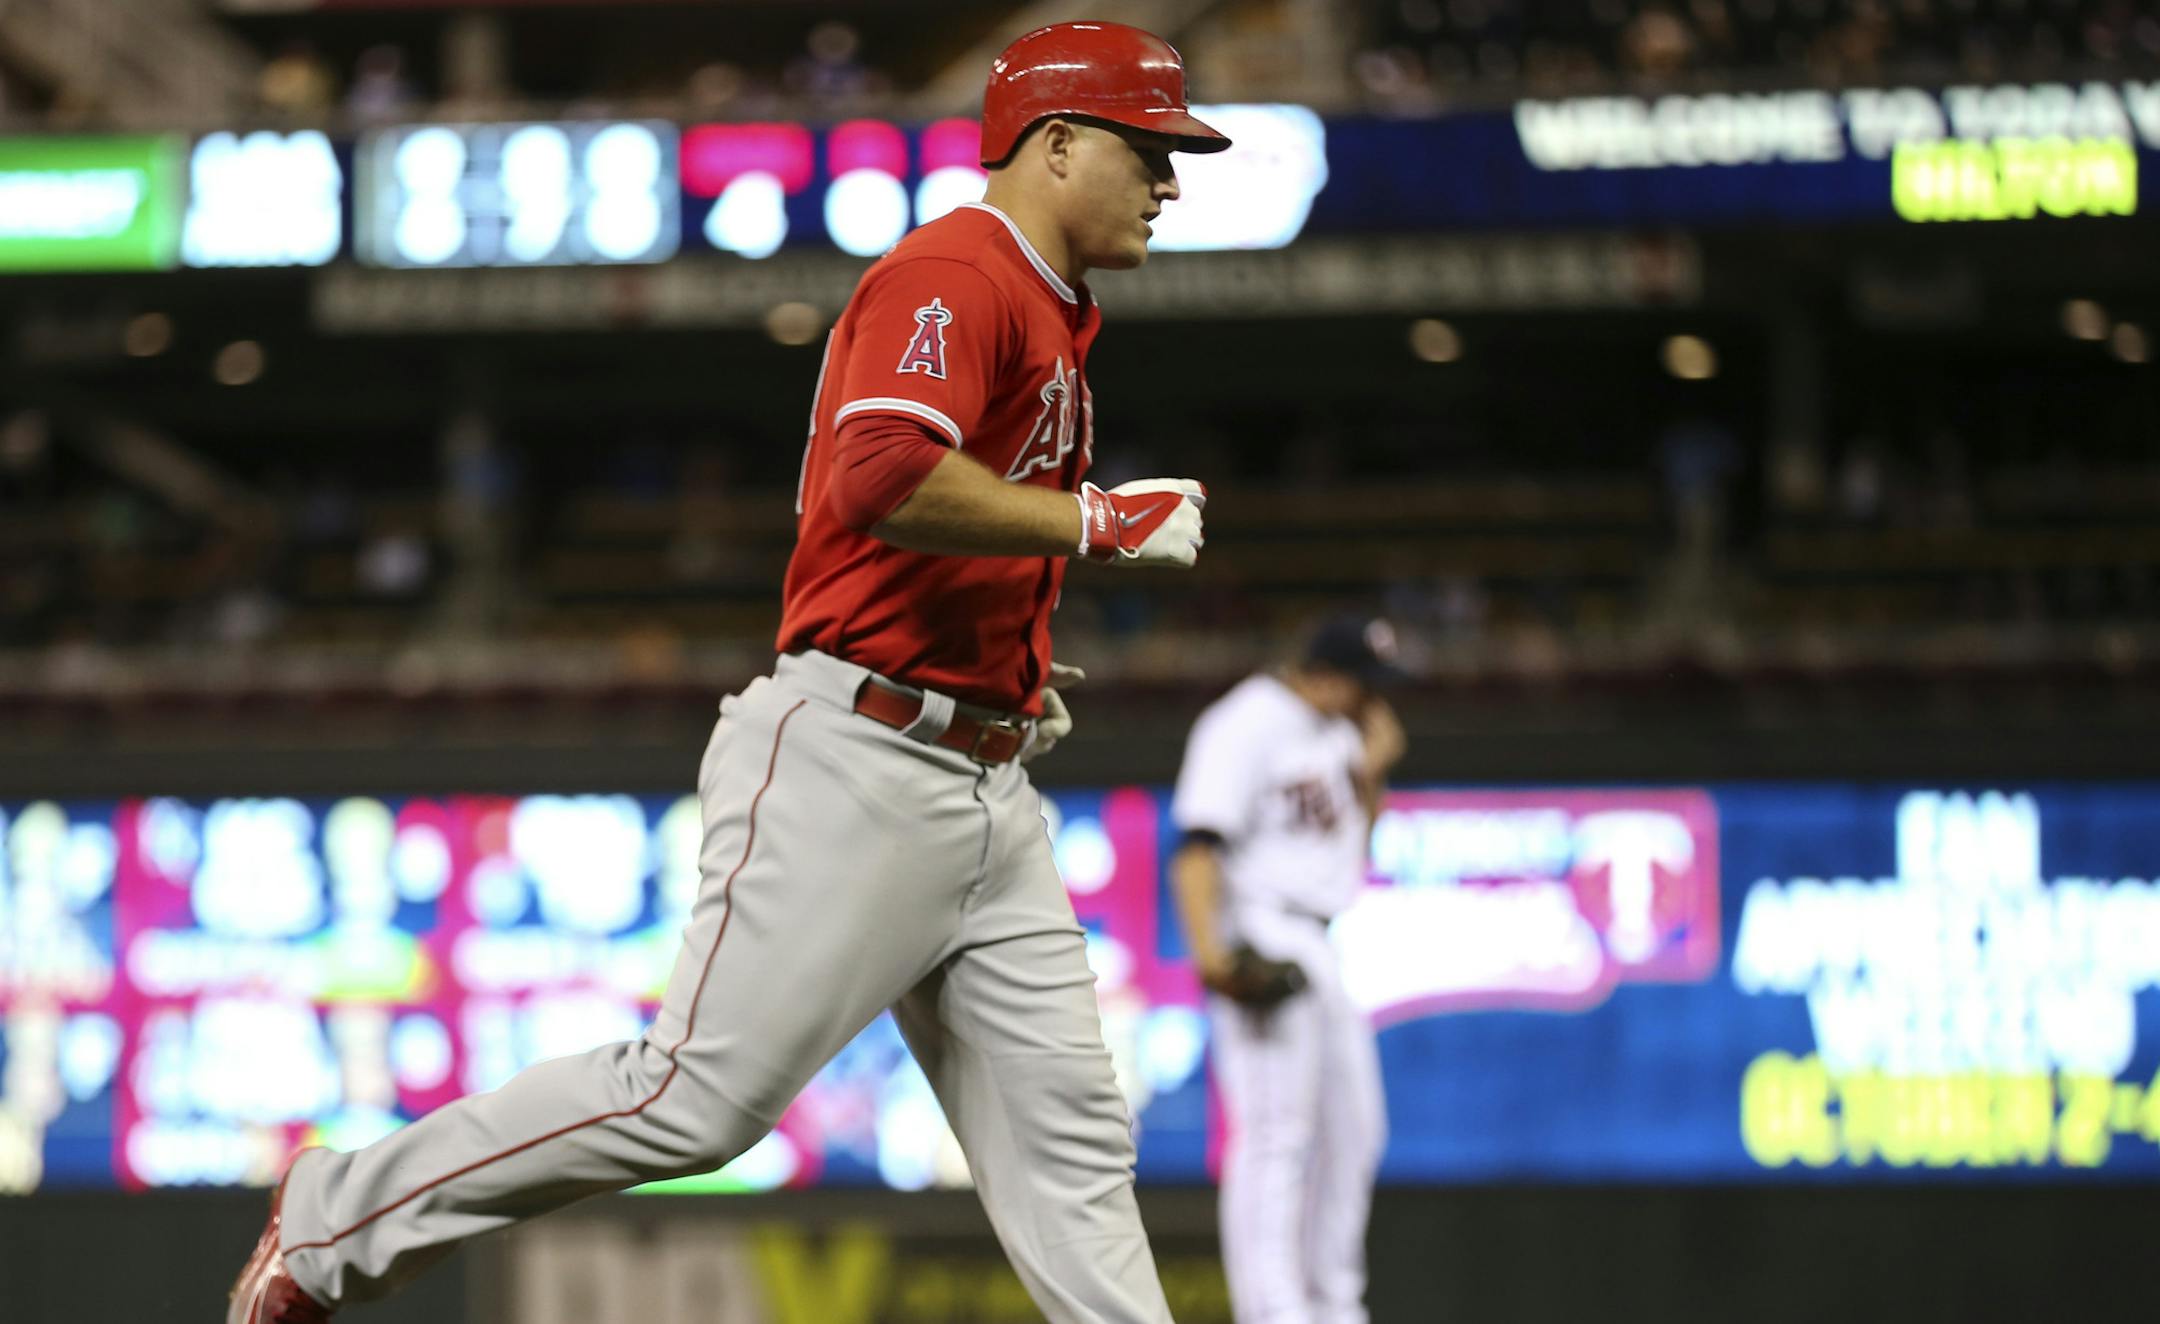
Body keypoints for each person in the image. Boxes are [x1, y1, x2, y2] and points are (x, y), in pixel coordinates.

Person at [227, 22, 1228, 1324]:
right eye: (1149, 148)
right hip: (858, 762)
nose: (1170, 179)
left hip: (981, 776)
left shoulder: (1044, 300)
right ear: (1056, 145)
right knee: (691, 1101)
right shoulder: (957, 273)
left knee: (1073, 1159)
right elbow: (881, 478)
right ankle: (333, 1217)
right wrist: (1096, 521)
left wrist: (1004, 657)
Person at [1169, 617, 1407, 1324]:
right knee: (1275, 1138)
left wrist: (1374, 773)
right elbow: (1196, 845)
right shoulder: (1245, 723)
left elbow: (1348, 859)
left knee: (1356, 1131)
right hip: (1263, 929)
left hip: (1320, 940)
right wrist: (1214, 958)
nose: (1375, 700)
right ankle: (1273, 1312)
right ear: (1329, 675)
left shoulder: (1337, 735)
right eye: (1367, 685)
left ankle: (1333, 1305)